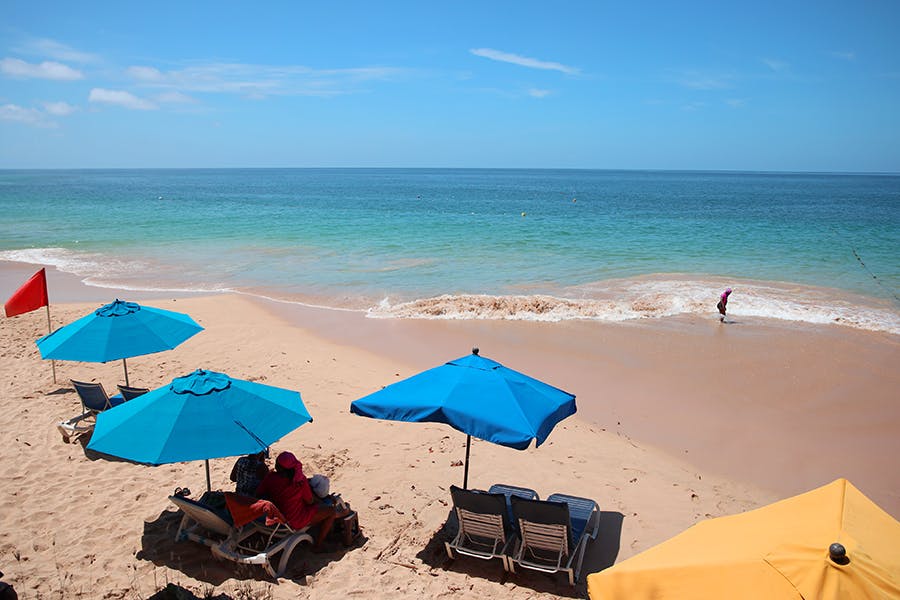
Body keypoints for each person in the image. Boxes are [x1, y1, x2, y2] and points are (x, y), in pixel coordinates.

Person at [255, 451, 348, 551]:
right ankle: (318, 545)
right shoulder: (299, 482)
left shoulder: (270, 478)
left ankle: (337, 516)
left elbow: (259, 493)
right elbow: (310, 502)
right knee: (330, 511)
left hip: (277, 517)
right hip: (294, 520)